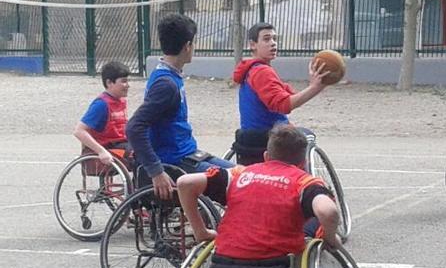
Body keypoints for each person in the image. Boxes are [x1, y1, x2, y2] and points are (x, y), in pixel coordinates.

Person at [177, 124, 341, 254]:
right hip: (278, 265)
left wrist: (201, 231)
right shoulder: (305, 183)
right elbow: (328, 212)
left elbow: (185, 183)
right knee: (313, 217)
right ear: (303, 163)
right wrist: (330, 239)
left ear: (266, 157)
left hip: (225, 262)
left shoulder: (239, 174)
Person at [126, 13, 234, 199]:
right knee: (239, 183)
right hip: (175, 161)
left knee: (243, 173)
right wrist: (156, 171)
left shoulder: (167, 75)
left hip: (188, 153)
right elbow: (134, 127)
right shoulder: (166, 85)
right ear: (187, 46)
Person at [231, 22, 329, 164]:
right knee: (307, 137)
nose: (273, 43)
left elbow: (287, 95)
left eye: (274, 39)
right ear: (253, 45)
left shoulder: (252, 69)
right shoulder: (262, 72)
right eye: (266, 39)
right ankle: (303, 180)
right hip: (269, 137)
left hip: (251, 136)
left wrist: (312, 85)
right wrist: (315, 87)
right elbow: (284, 104)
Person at [73, 61, 131, 165]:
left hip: (121, 143)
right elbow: (79, 131)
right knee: (141, 152)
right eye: (124, 81)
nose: (128, 85)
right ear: (109, 83)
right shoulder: (101, 105)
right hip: (109, 146)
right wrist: (101, 151)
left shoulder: (121, 101)